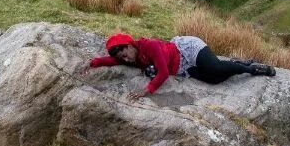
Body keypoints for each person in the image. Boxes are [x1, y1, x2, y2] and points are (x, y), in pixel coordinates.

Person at [86, 32, 276, 100]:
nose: (125, 59)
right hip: (183, 68)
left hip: (188, 50)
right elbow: (114, 61)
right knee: (215, 79)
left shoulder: (150, 46)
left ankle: (252, 69)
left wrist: (147, 90)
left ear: (129, 45)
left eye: (125, 54)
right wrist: (95, 62)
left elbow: (162, 73)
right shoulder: (134, 58)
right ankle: (235, 63)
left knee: (215, 68)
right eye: (123, 58)